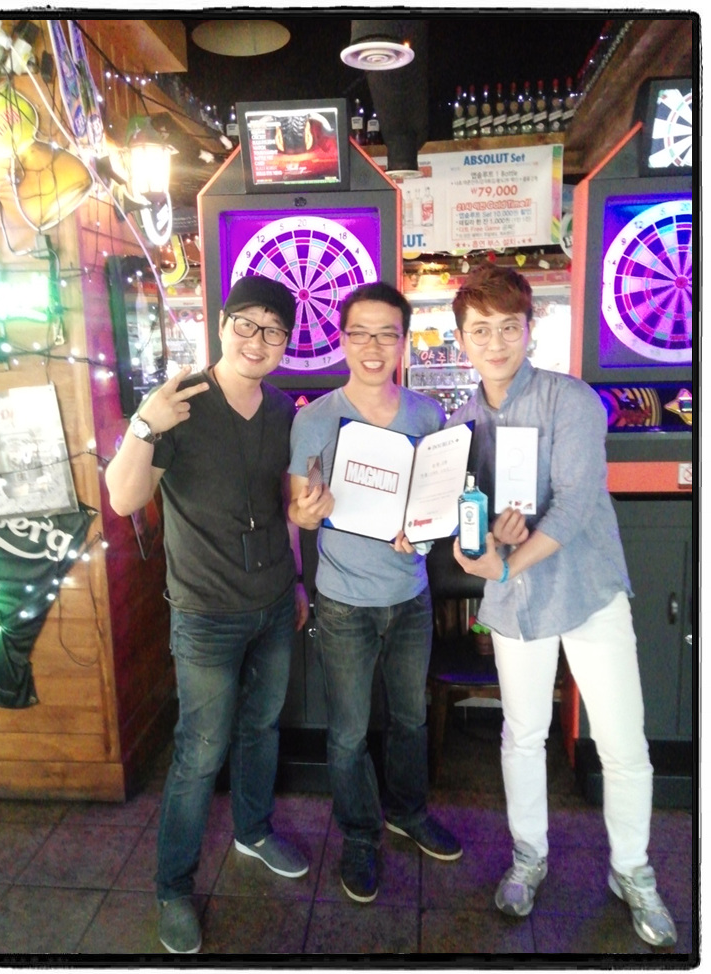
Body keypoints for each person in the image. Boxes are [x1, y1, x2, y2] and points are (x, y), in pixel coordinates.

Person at [445, 263, 677, 947]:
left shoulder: (571, 400)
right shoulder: (460, 425)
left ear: (530, 329)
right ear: (461, 338)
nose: (494, 343)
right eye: (480, 330)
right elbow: (465, 520)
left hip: (586, 590)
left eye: (507, 328)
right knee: (522, 734)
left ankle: (633, 870)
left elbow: (575, 504)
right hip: (517, 602)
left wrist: (505, 561)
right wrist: (468, 544)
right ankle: (529, 857)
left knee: (622, 741)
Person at [105, 276, 310, 954]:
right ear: (222, 325)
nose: (257, 340)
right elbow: (123, 498)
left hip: (274, 603)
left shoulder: (281, 409)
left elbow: (282, 507)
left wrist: (297, 580)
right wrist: (144, 425)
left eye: (273, 330)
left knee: (261, 728)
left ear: (285, 342)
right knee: (199, 752)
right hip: (205, 614)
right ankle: (173, 887)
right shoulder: (181, 402)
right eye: (246, 324)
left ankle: (252, 831)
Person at [288, 281, 462, 905]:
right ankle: (360, 834)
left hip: (410, 595)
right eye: (360, 333)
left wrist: (426, 532)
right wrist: (307, 512)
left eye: (387, 334)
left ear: (403, 342)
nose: (373, 346)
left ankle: (408, 813)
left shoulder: (428, 416)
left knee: (411, 718)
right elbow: (296, 505)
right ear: (342, 339)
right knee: (348, 731)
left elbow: (439, 506)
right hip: (342, 601)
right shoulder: (315, 418)